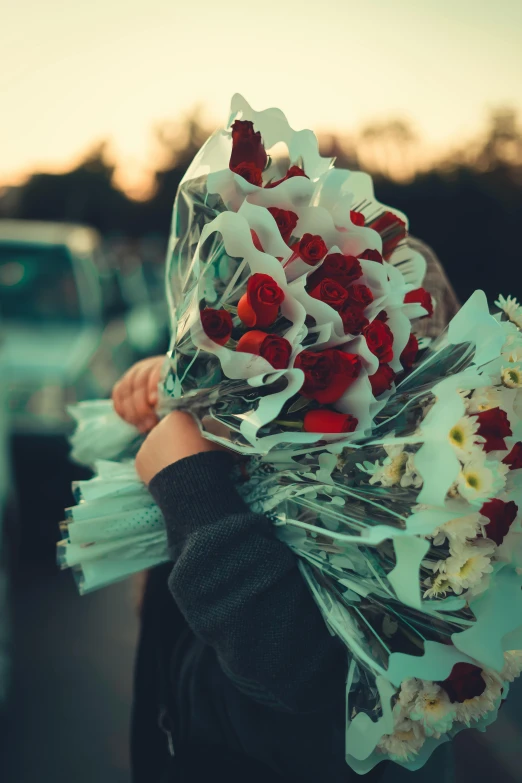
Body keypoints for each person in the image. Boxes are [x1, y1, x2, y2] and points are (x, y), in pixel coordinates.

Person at [113, 244, 460, 783]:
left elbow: (295, 674)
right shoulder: (250, 474)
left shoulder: (397, 544)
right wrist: (183, 393)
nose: (266, 379)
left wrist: (192, 488)